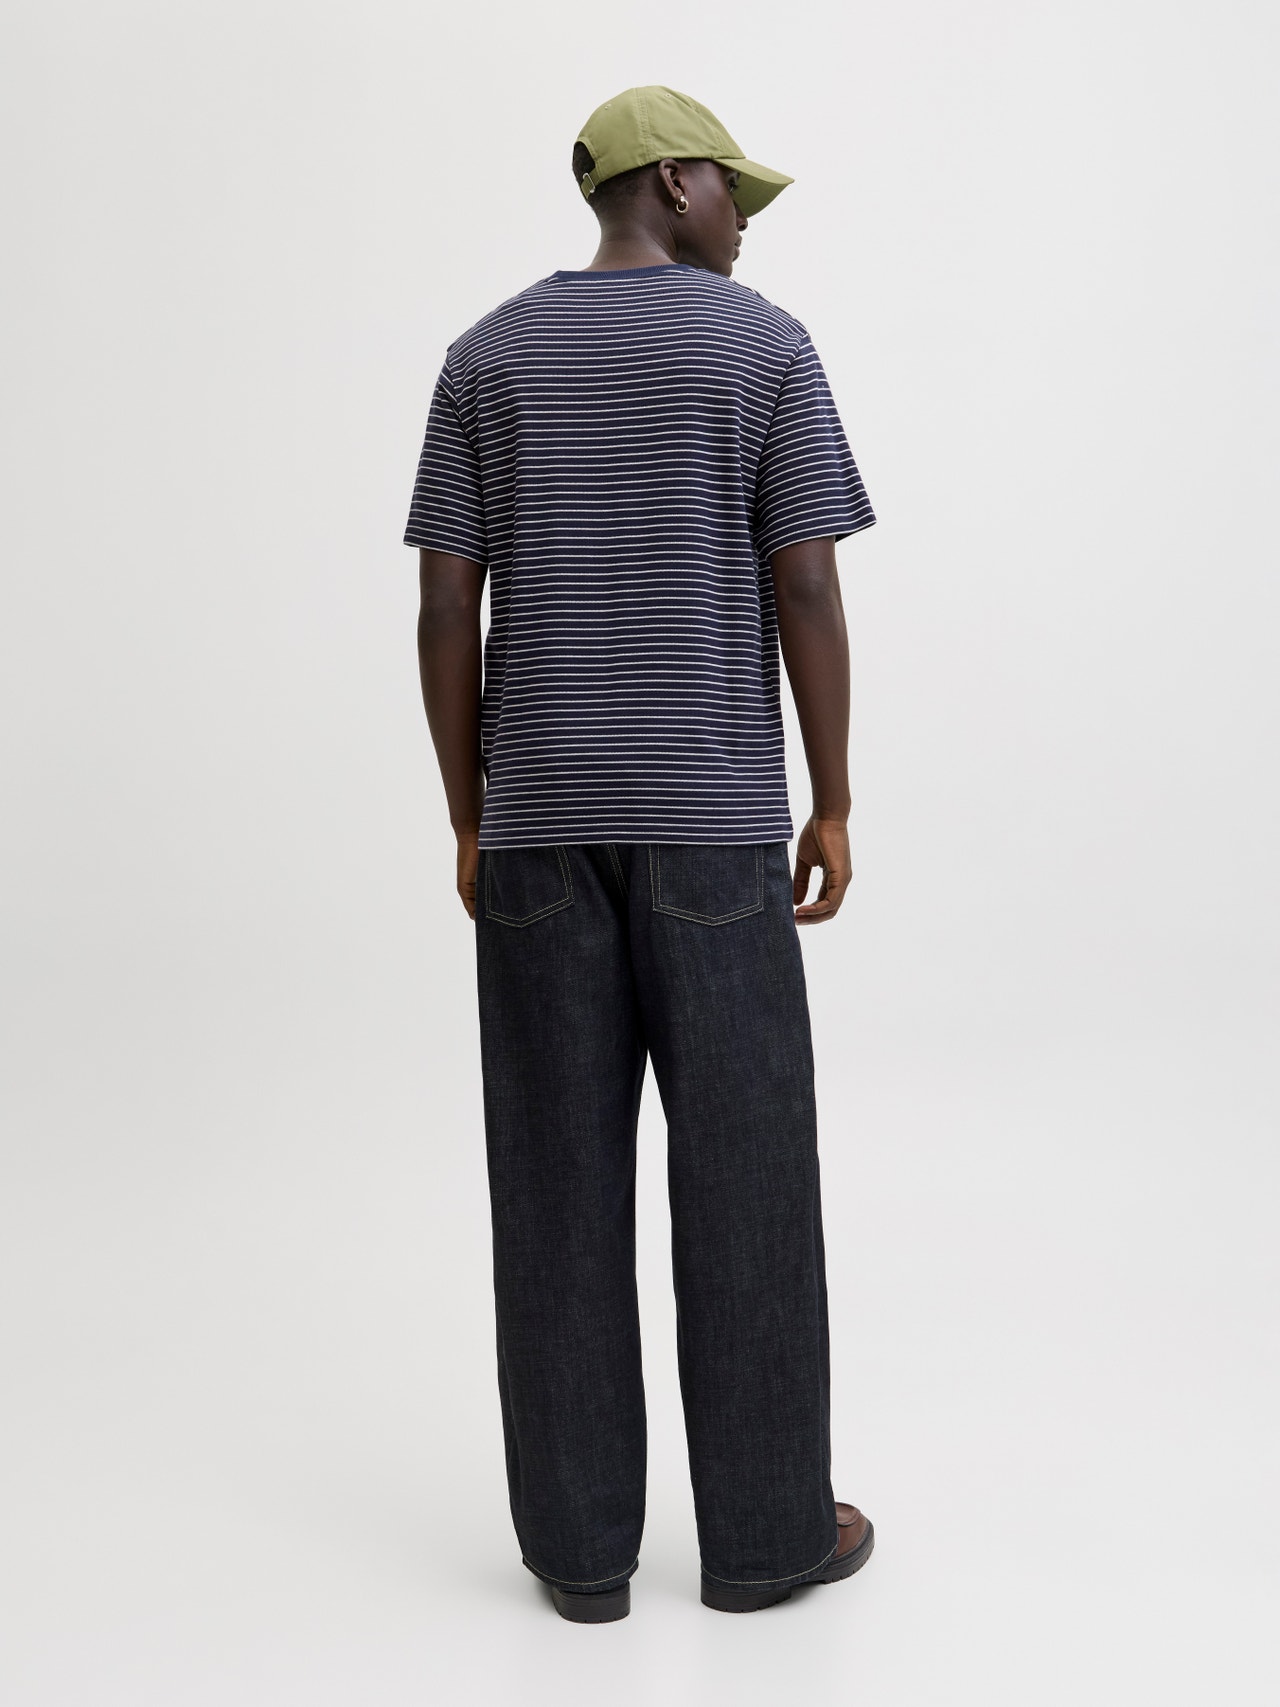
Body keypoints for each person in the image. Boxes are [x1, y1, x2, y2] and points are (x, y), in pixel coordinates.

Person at [403, 85, 878, 1622]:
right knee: (748, 1182)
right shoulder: (764, 349)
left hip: (539, 835)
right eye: (734, 189)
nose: (746, 219)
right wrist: (832, 796)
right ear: (672, 182)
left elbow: (445, 604)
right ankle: (766, 1541)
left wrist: (470, 813)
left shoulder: (485, 358)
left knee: (554, 1188)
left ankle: (580, 1557)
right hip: (713, 827)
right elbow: (806, 585)